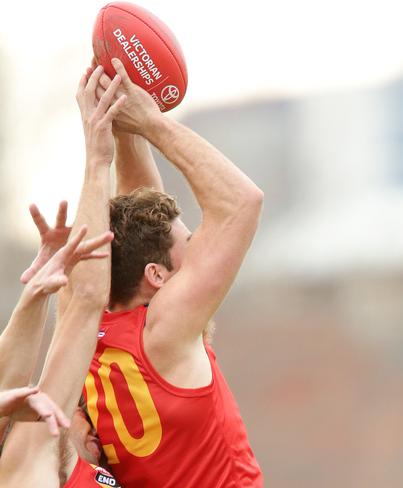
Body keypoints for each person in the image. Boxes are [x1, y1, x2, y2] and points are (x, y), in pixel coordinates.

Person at [68, 57, 264, 487]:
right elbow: (241, 203)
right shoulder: (164, 331)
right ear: (157, 276)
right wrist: (153, 123)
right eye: (191, 245)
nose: (200, 253)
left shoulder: (87, 322)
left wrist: (120, 124)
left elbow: (137, 217)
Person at [0, 65, 123, 487]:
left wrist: (36, 296)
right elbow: (86, 302)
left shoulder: (65, 456)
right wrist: (97, 160)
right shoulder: (28, 459)